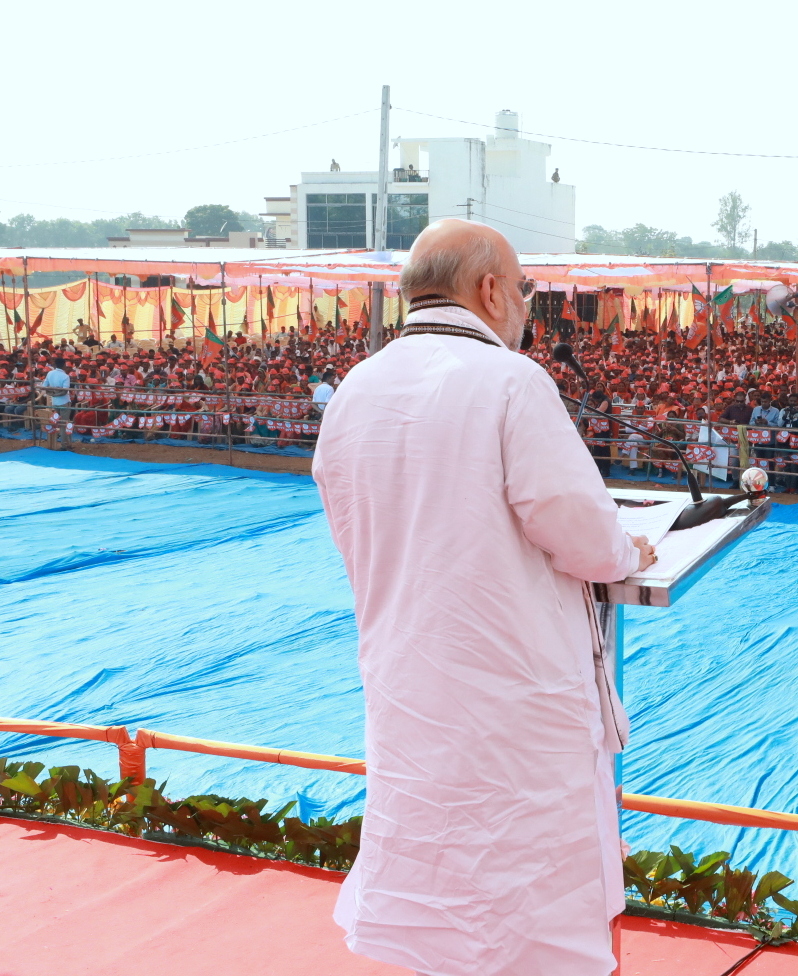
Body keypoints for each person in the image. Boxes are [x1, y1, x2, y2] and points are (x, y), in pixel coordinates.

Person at [312, 218, 656, 976]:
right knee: (525, 898)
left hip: (409, 678)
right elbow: (584, 537)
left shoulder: (356, 388)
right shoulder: (510, 380)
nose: (527, 308)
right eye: (526, 289)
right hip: (511, 695)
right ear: (491, 290)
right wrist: (628, 547)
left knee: (434, 878)